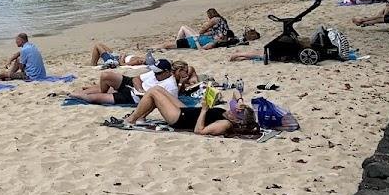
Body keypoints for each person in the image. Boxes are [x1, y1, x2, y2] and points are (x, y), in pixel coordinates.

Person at [108, 86, 259, 137]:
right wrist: (240, 101)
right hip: (187, 111)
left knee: (153, 92)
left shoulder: (225, 124)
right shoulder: (232, 115)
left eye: (234, 112)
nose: (231, 111)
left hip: (180, 119)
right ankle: (141, 116)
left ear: (238, 120)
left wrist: (204, 110)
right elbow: (235, 91)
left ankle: (131, 119)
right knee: (159, 89)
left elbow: (199, 131)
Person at [69, 59, 182, 106]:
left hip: (133, 97)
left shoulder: (171, 86)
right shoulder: (156, 72)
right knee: (105, 75)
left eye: (158, 73)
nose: (155, 75)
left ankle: (73, 94)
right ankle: (104, 90)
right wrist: (140, 89)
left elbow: (167, 103)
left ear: (167, 72)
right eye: (155, 72)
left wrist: (143, 95)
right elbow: (136, 79)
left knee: (94, 98)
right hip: (133, 86)